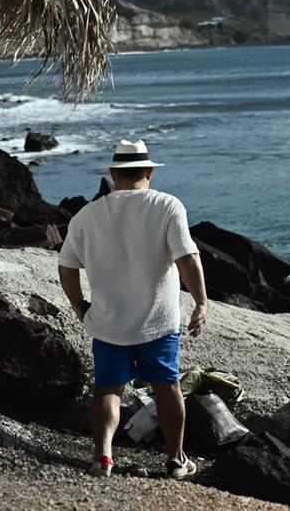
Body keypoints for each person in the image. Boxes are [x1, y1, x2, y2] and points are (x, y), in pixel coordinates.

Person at [57, 139, 208, 480]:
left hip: (108, 323)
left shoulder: (87, 215)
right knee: (166, 386)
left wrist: (80, 306)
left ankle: (103, 457)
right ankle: (175, 461)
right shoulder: (167, 206)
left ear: (113, 174)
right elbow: (187, 258)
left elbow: (66, 268)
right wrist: (201, 301)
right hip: (158, 322)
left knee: (109, 390)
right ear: (150, 172)